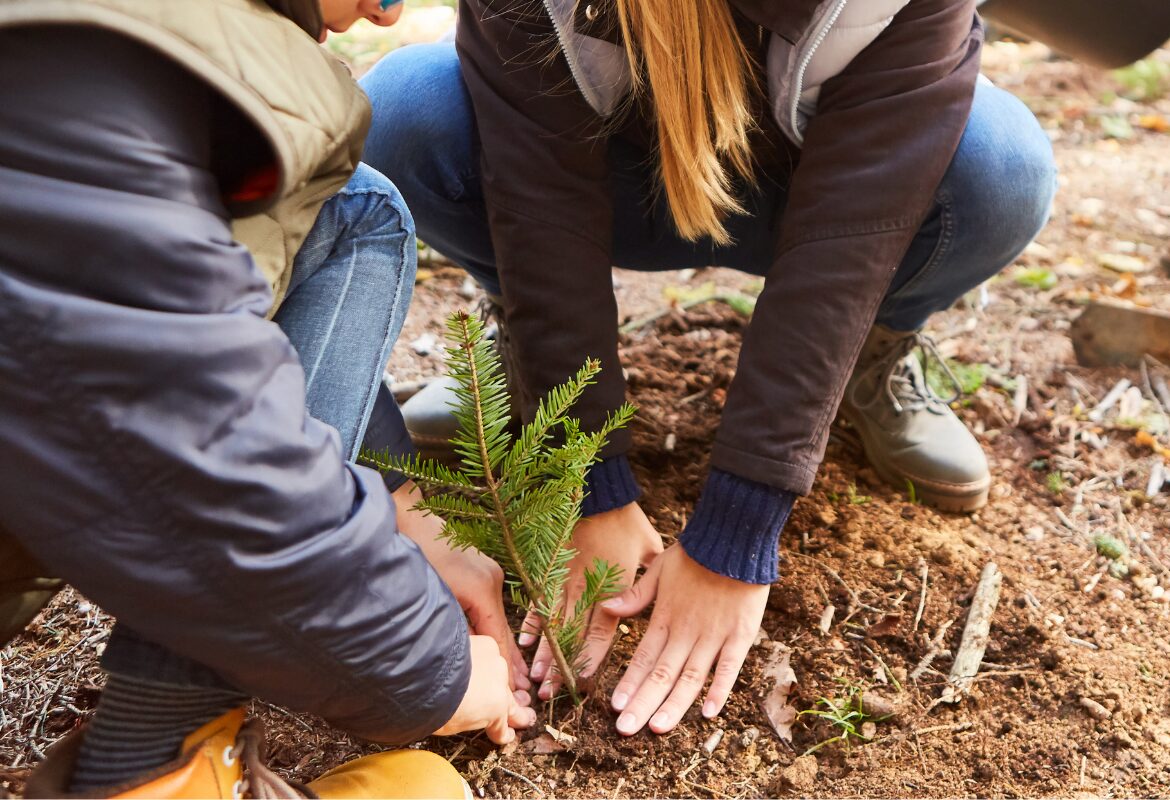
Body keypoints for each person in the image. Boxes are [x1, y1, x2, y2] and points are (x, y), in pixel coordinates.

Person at [357, 0, 1058, 737]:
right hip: (614, 176)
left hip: (813, 189)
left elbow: (852, 235)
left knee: (998, 167)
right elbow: (539, 202)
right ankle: (528, 363)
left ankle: (871, 353)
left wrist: (737, 530)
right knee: (408, 108)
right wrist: (587, 483)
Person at [0, 0, 532, 796]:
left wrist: (399, 504)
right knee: (360, 212)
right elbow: (192, 454)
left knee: (355, 211)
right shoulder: (85, 75)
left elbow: (185, 336)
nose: (386, 15)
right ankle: (157, 767)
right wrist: (434, 668)